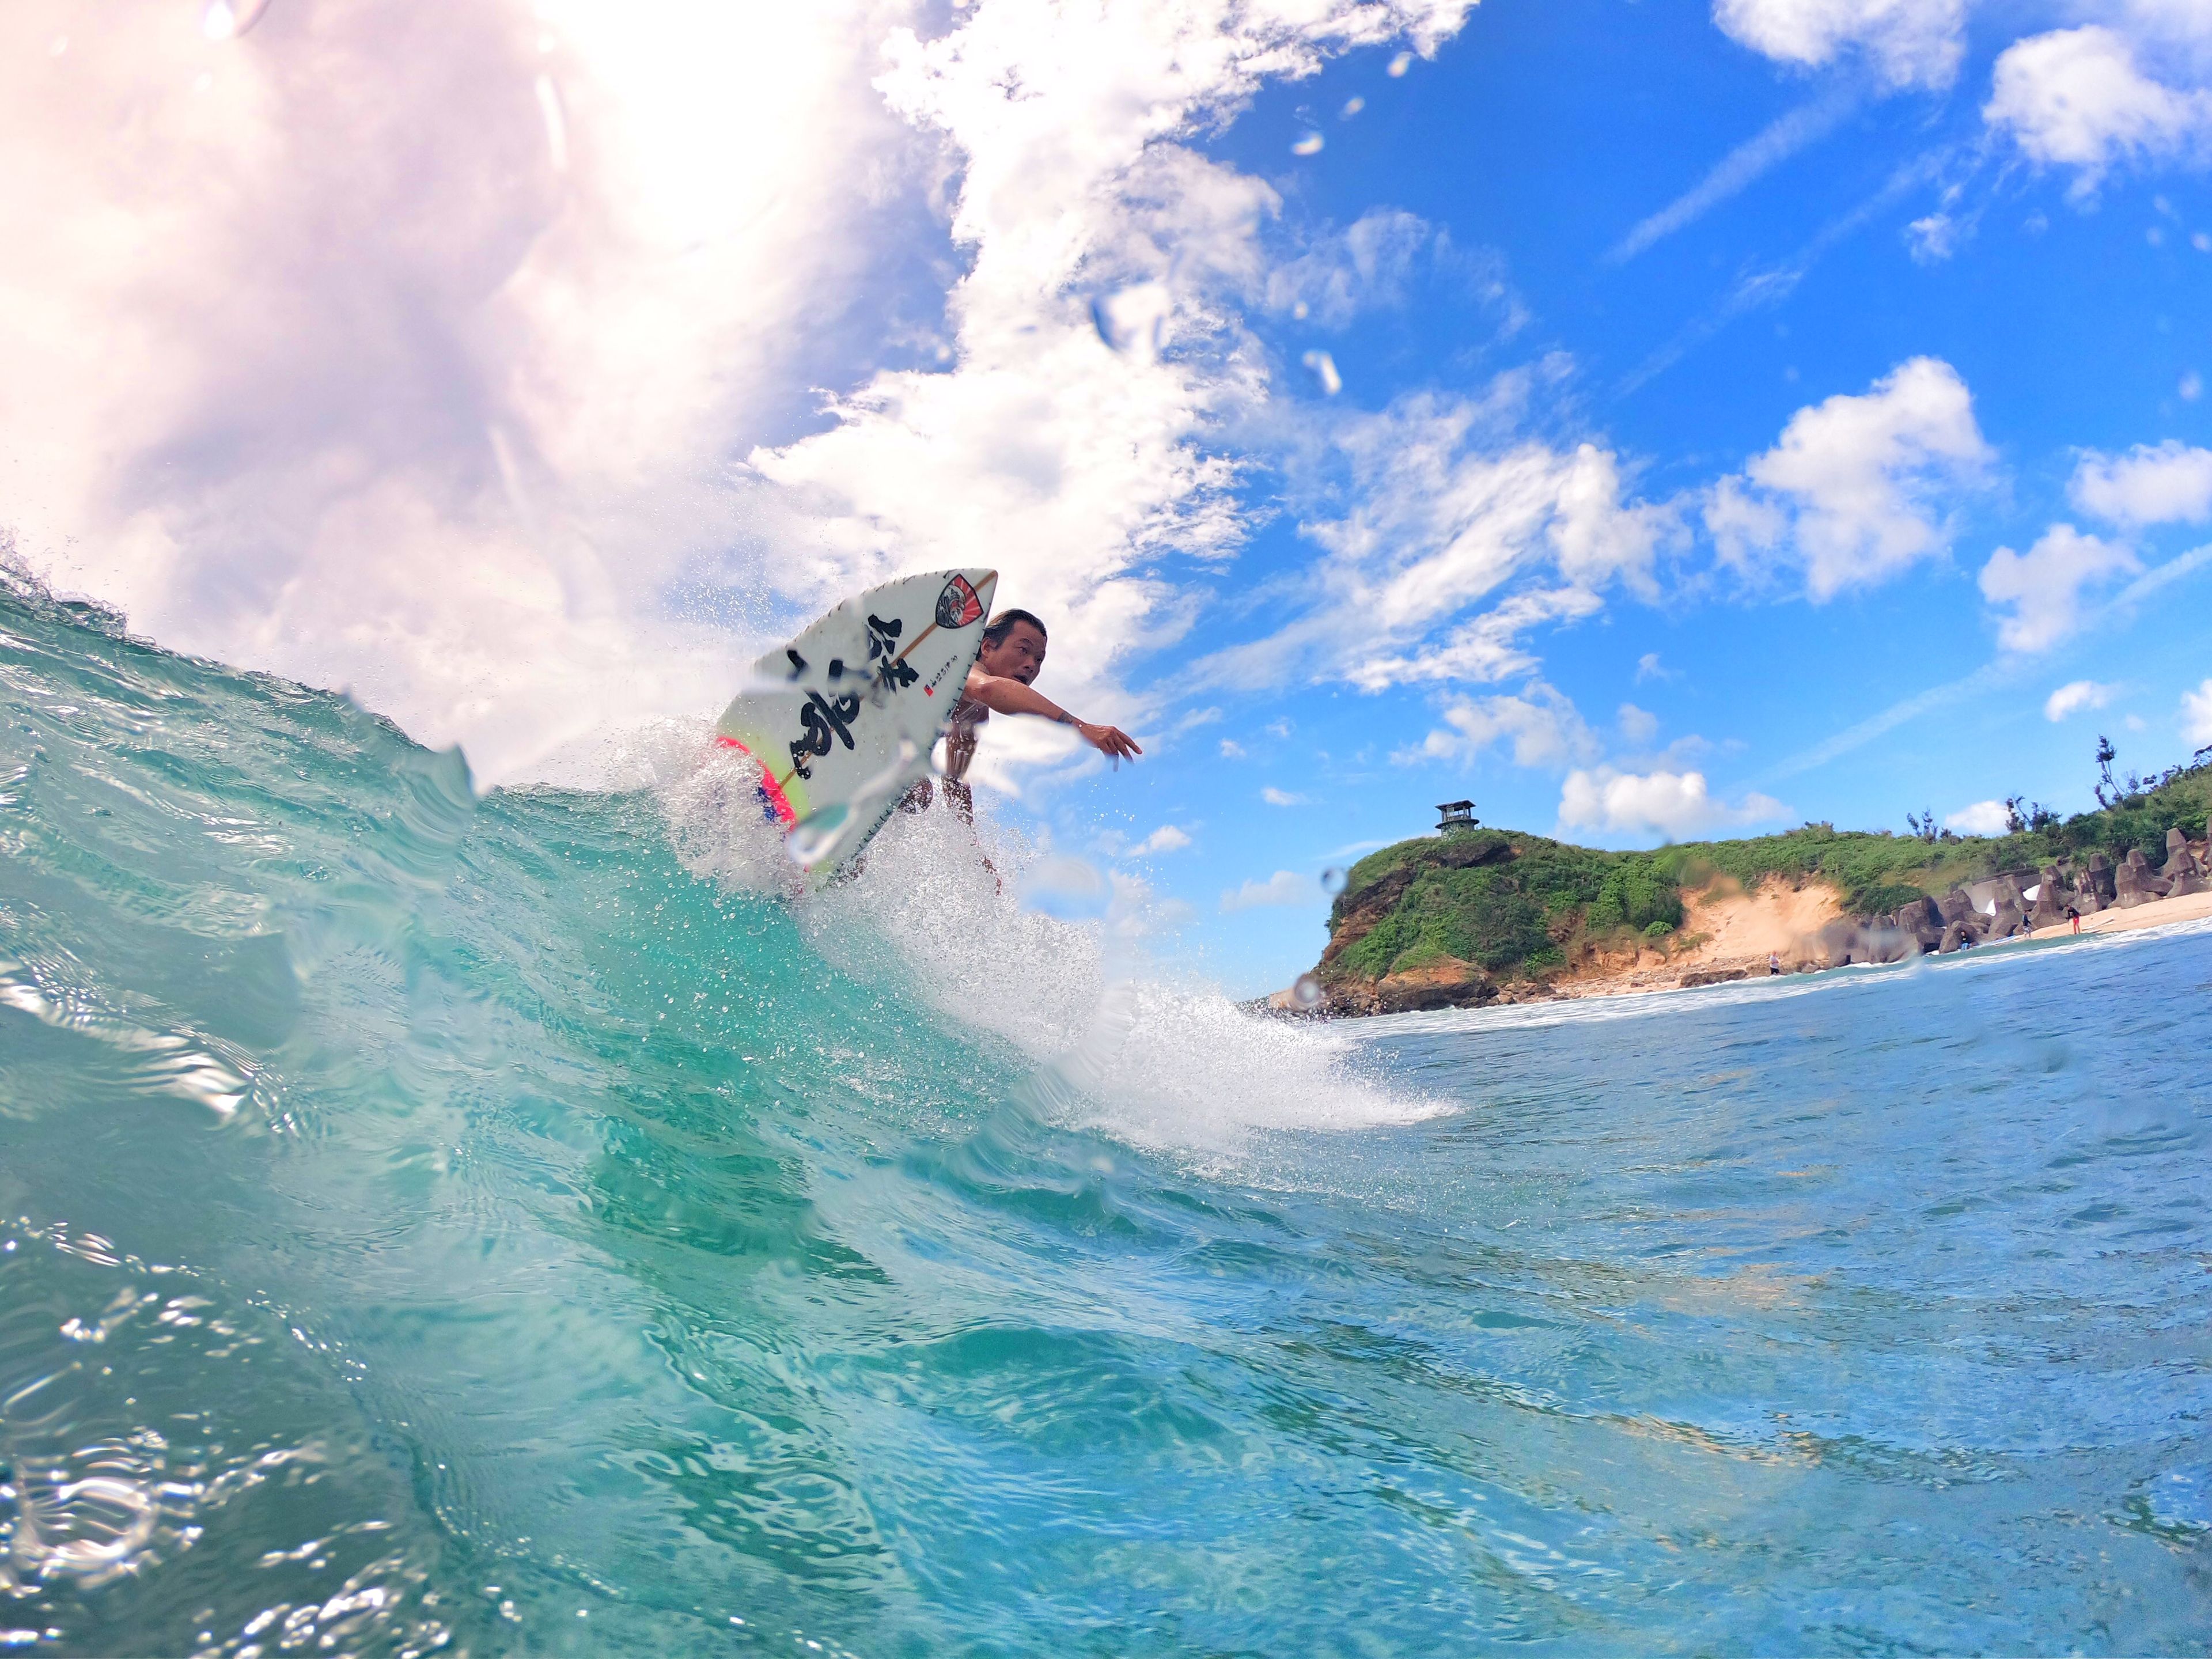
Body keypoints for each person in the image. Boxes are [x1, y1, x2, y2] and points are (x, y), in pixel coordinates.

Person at [907, 608, 1142, 817]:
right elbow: (987, 688)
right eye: (1023, 650)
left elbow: (955, 776)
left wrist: (969, 846)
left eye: (1039, 659)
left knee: (918, 794)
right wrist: (1081, 727)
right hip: (878, 733)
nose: (1032, 665)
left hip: (885, 754)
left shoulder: (975, 714)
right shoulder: (962, 669)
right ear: (987, 647)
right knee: (916, 787)